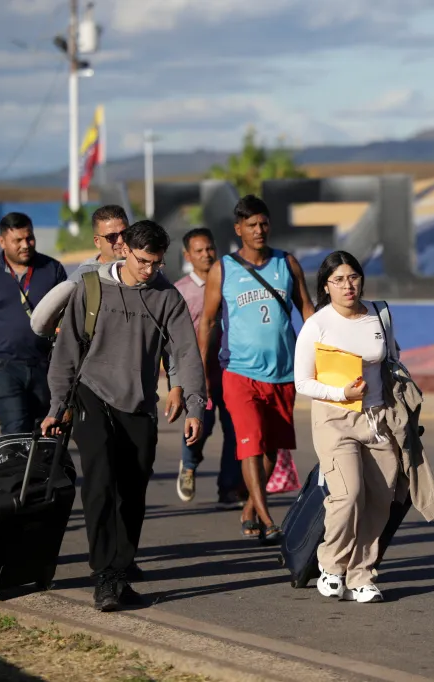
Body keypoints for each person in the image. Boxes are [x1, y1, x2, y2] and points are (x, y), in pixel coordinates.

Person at [43, 219, 206, 612]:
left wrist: (191, 402)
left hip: (139, 402)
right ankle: (106, 575)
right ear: (124, 251)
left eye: (157, 263)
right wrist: (57, 406)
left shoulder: (166, 296)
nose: (150, 270)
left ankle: (121, 564)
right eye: (144, 261)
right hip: (91, 394)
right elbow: (67, 352)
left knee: (133, 490)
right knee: (100, 483)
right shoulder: (91, 288)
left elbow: (186, 351)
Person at [196, 194, 315, 543]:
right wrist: (202, 371)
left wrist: (323, 351)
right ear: (239, 229)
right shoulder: (224, 269)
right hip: (238, 371)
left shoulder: (287, 263)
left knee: (270, 450)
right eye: (251, 225)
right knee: (250, 443)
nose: (259, 230)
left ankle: (250, 506)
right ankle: (266, 516)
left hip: (283, 373)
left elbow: (306, 310)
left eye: (263, 223)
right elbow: (206, 321)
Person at [293, 251, 399, 603]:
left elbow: (392, 360)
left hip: (377, 419)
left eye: (352, 276)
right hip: (334, 419)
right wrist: (342, 392)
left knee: (381, 500)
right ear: (326, 286)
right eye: (338, 279)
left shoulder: (379, 314)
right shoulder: (318, 325)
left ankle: (362, 574)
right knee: (349, 494)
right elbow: (302, 383)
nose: (347, 285)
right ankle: (331, 564)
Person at [0, 212, 68, 433]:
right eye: (17, 240)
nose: (25, 245)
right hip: (4, 366)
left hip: (45, 367)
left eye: (29, 238)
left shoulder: (53, 270)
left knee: (44, 433)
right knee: (15, 429)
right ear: (2, 242)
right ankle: (16, 468)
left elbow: (67, 321)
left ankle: (39, 469)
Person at [173, 227, 246, 509]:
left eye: (210, 249)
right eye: (199, 251)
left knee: (234, 429)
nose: (206, 255)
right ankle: (189, 465)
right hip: (196, 373)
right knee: (201, 425)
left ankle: (227, 488)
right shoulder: (180, 291)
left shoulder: (229, 283)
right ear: (187, 255)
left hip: (232, 370)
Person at [29, 204, 131, 339]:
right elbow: (39, 323)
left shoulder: (147, 269)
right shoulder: (83, 276)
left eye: (125, 233)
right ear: (97, 242)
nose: (120, 240)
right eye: (111, 237)